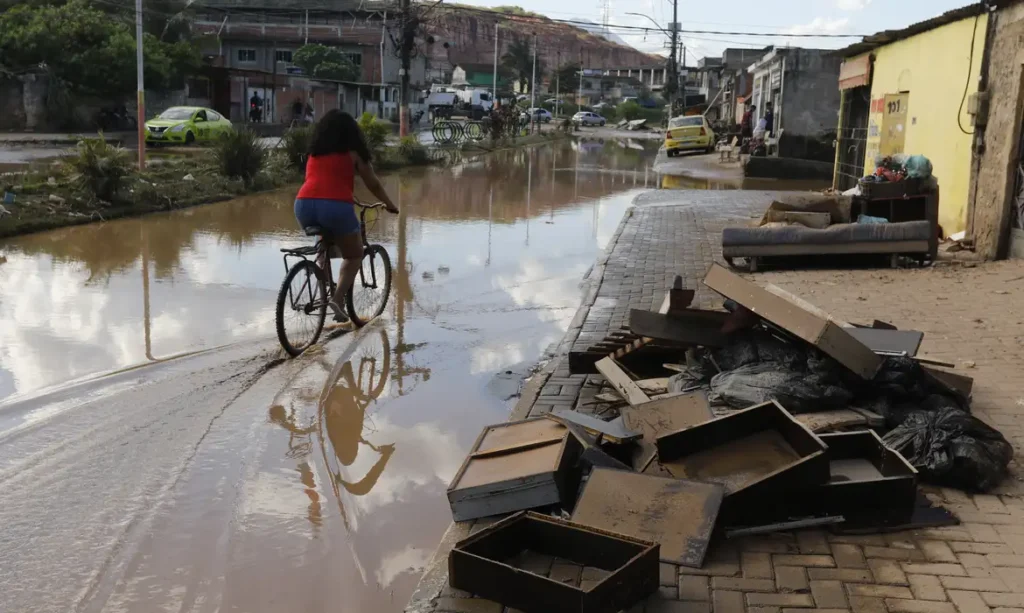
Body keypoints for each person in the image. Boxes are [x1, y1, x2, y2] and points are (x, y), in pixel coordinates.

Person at [294, 109, 399, 324]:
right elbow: (373, 184)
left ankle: (322, 282)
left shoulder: (315, 153)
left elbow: (319, 182)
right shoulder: (353, 154)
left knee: (323, 241)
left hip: (303, 204)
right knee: (353, 255)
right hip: (335, 206)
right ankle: (337, 299)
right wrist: (390, 205)